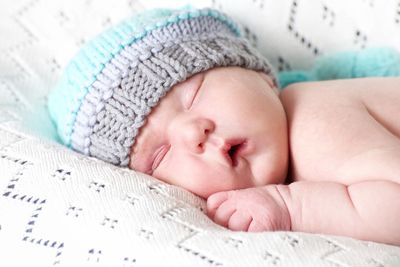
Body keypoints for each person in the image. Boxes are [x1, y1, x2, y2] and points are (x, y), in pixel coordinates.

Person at [48, 7, 400, 246]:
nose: (192, 133)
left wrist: (290, 207)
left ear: (257, 73)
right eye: (160, 156)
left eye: (193, 94)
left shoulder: (313, 117)